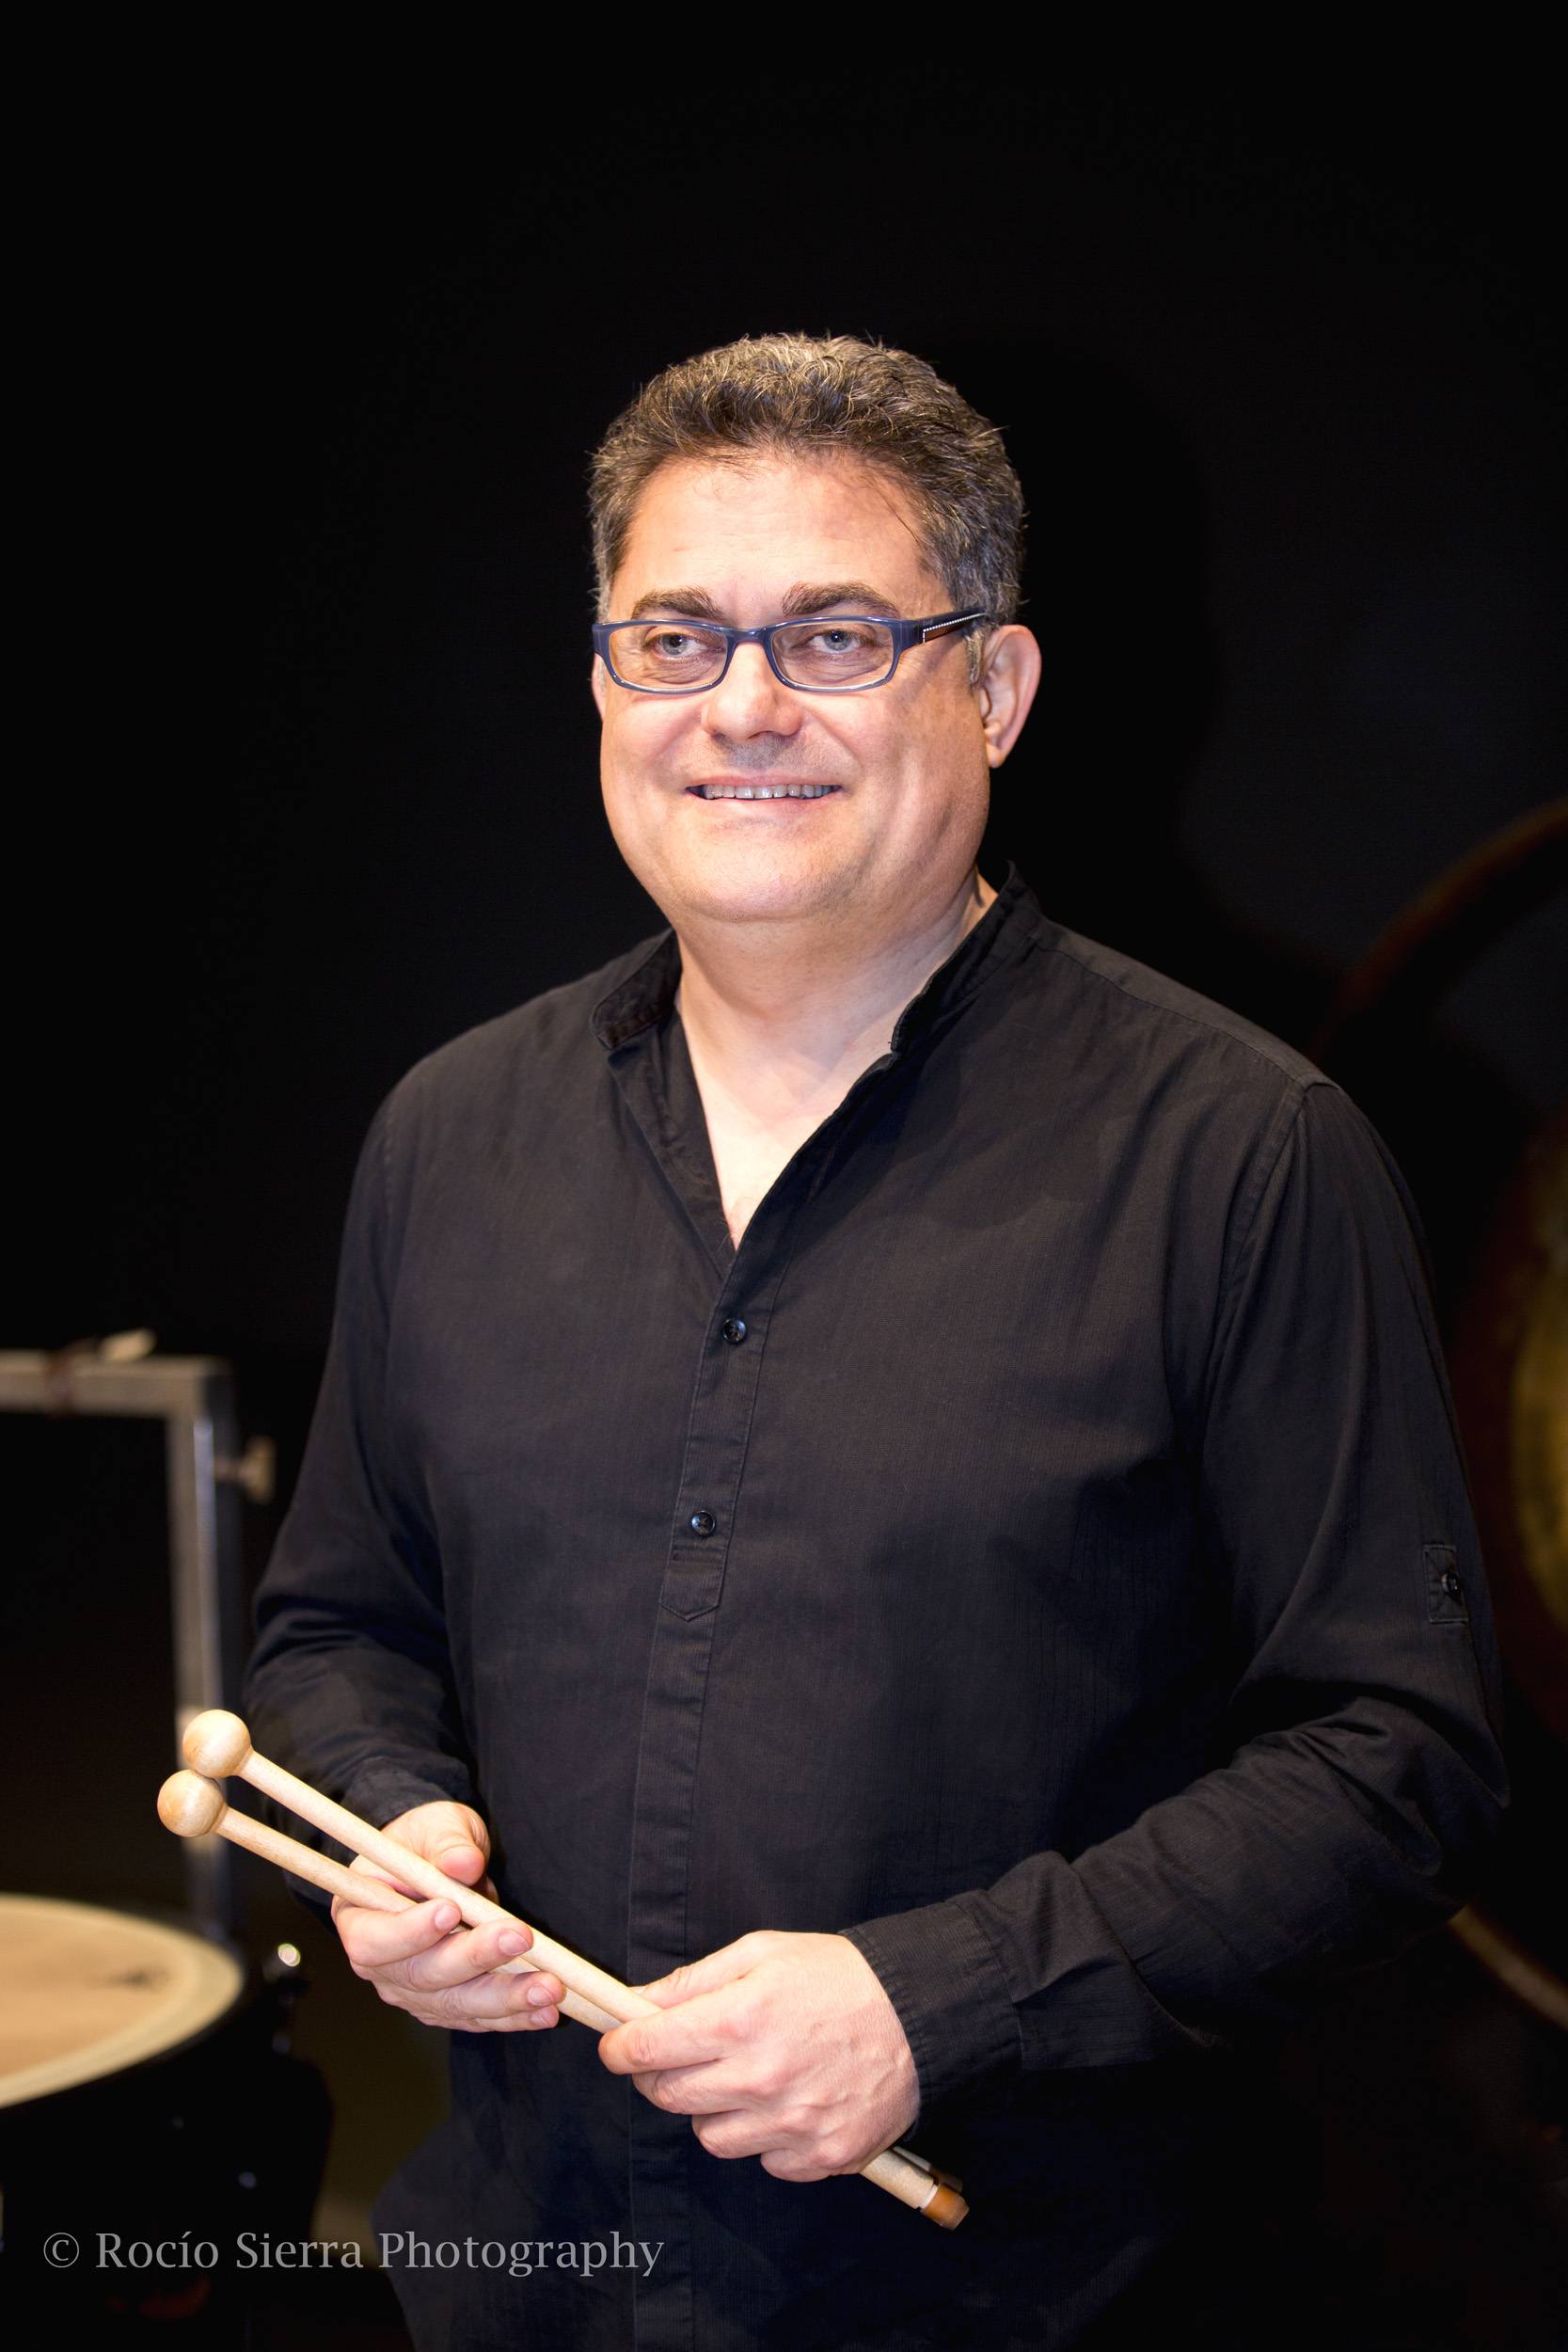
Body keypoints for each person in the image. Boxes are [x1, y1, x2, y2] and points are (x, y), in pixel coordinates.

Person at [246, 335, 1505, 2350]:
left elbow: (1397, 1760)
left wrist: (937, 2000)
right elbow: (337, 1626)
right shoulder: (450, 1136)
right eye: (675, 638)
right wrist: (392, 1816)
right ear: (604, 684)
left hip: (1043, 2300)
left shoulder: (1246, 1153)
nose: (742, 705)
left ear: (992, 689)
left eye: (835, 636)